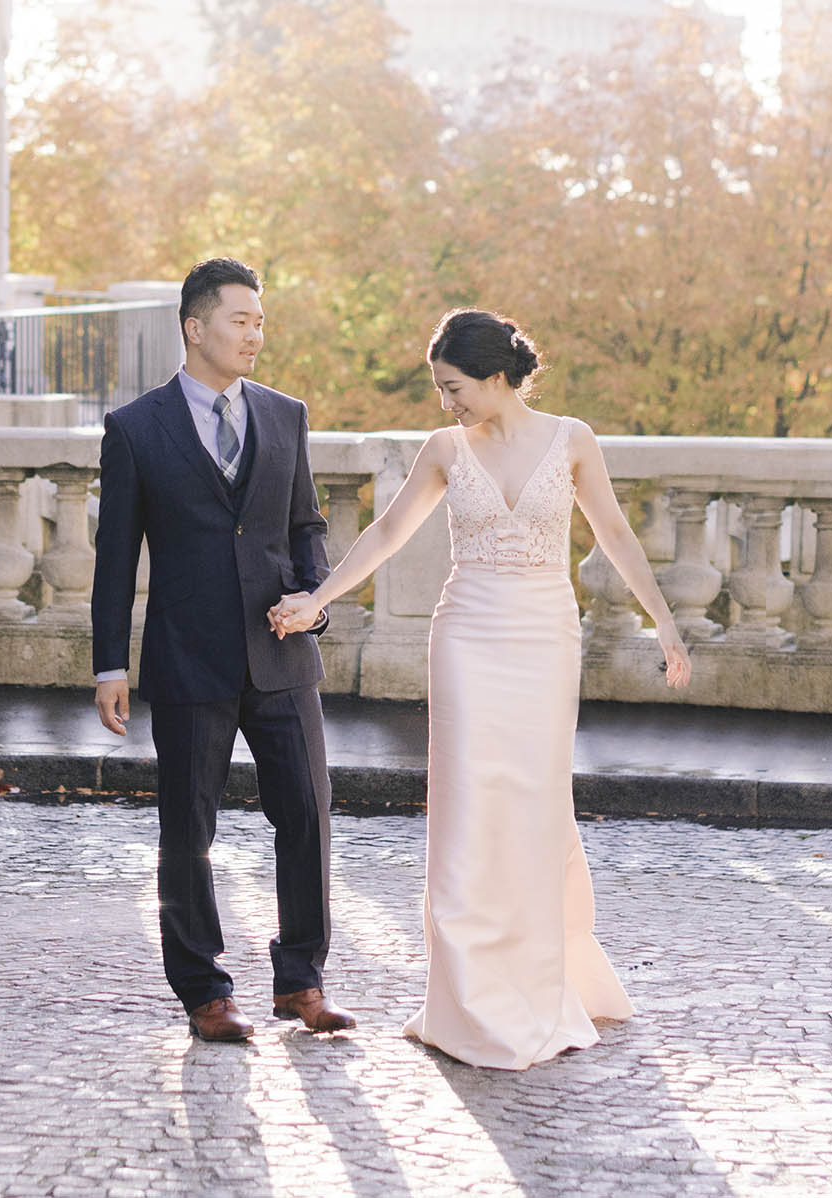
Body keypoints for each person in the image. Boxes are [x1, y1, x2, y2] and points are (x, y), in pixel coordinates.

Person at [271, 307, 691, 1070]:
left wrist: (662, 621)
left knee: (533, 801)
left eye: (454, 387)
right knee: (466, 803)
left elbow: (615, 534)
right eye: (440, 389)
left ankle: (537, 980)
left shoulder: (572, 439)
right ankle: (465, 997)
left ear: (497, 378)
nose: (446, 402)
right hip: (466, 634)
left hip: (543, 636)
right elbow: (387, 533)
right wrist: (318, 598)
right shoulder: (443, 449)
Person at [92, 256, 355, 1043]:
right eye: (241, 320)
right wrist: (112, 664)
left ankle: (301, 981)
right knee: (188, 829)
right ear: (195, 327)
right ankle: (205, 990)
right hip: (188, 655)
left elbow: (306, 526)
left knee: (308, 814)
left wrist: (314, 602)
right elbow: (116, 556)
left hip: (281, 657)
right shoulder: (135, 429)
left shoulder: (286, 415)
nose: (255, 334)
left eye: (261, 321)